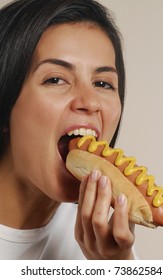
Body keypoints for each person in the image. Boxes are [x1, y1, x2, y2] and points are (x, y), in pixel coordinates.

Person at [0, 0, 137, 260]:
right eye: (55, 79)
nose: (89, 102)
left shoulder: (104, 240)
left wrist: (118, 269)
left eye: (103, 83)